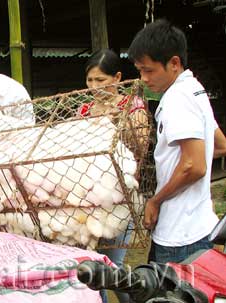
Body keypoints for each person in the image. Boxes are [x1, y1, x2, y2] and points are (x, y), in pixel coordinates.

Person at [128, 19, 226, 264]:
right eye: (140, 70)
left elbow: (194, 166)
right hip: (200, 225)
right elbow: (220, 144)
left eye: (149, 70)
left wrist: (155, 200)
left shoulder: (177, 99)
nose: (143, 78)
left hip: (180, 235)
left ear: (174, 63)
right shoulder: (195, 88)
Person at [82, 49, 148, 303]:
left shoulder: (131, 106)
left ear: (117, 77)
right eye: (90, 80)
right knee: (92, 268)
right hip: (89, 198)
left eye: (101, 80)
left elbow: (140, 146)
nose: (94, 86)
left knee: (113, 268)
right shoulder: (85, 109)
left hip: (121, 199)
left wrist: (116, 123)